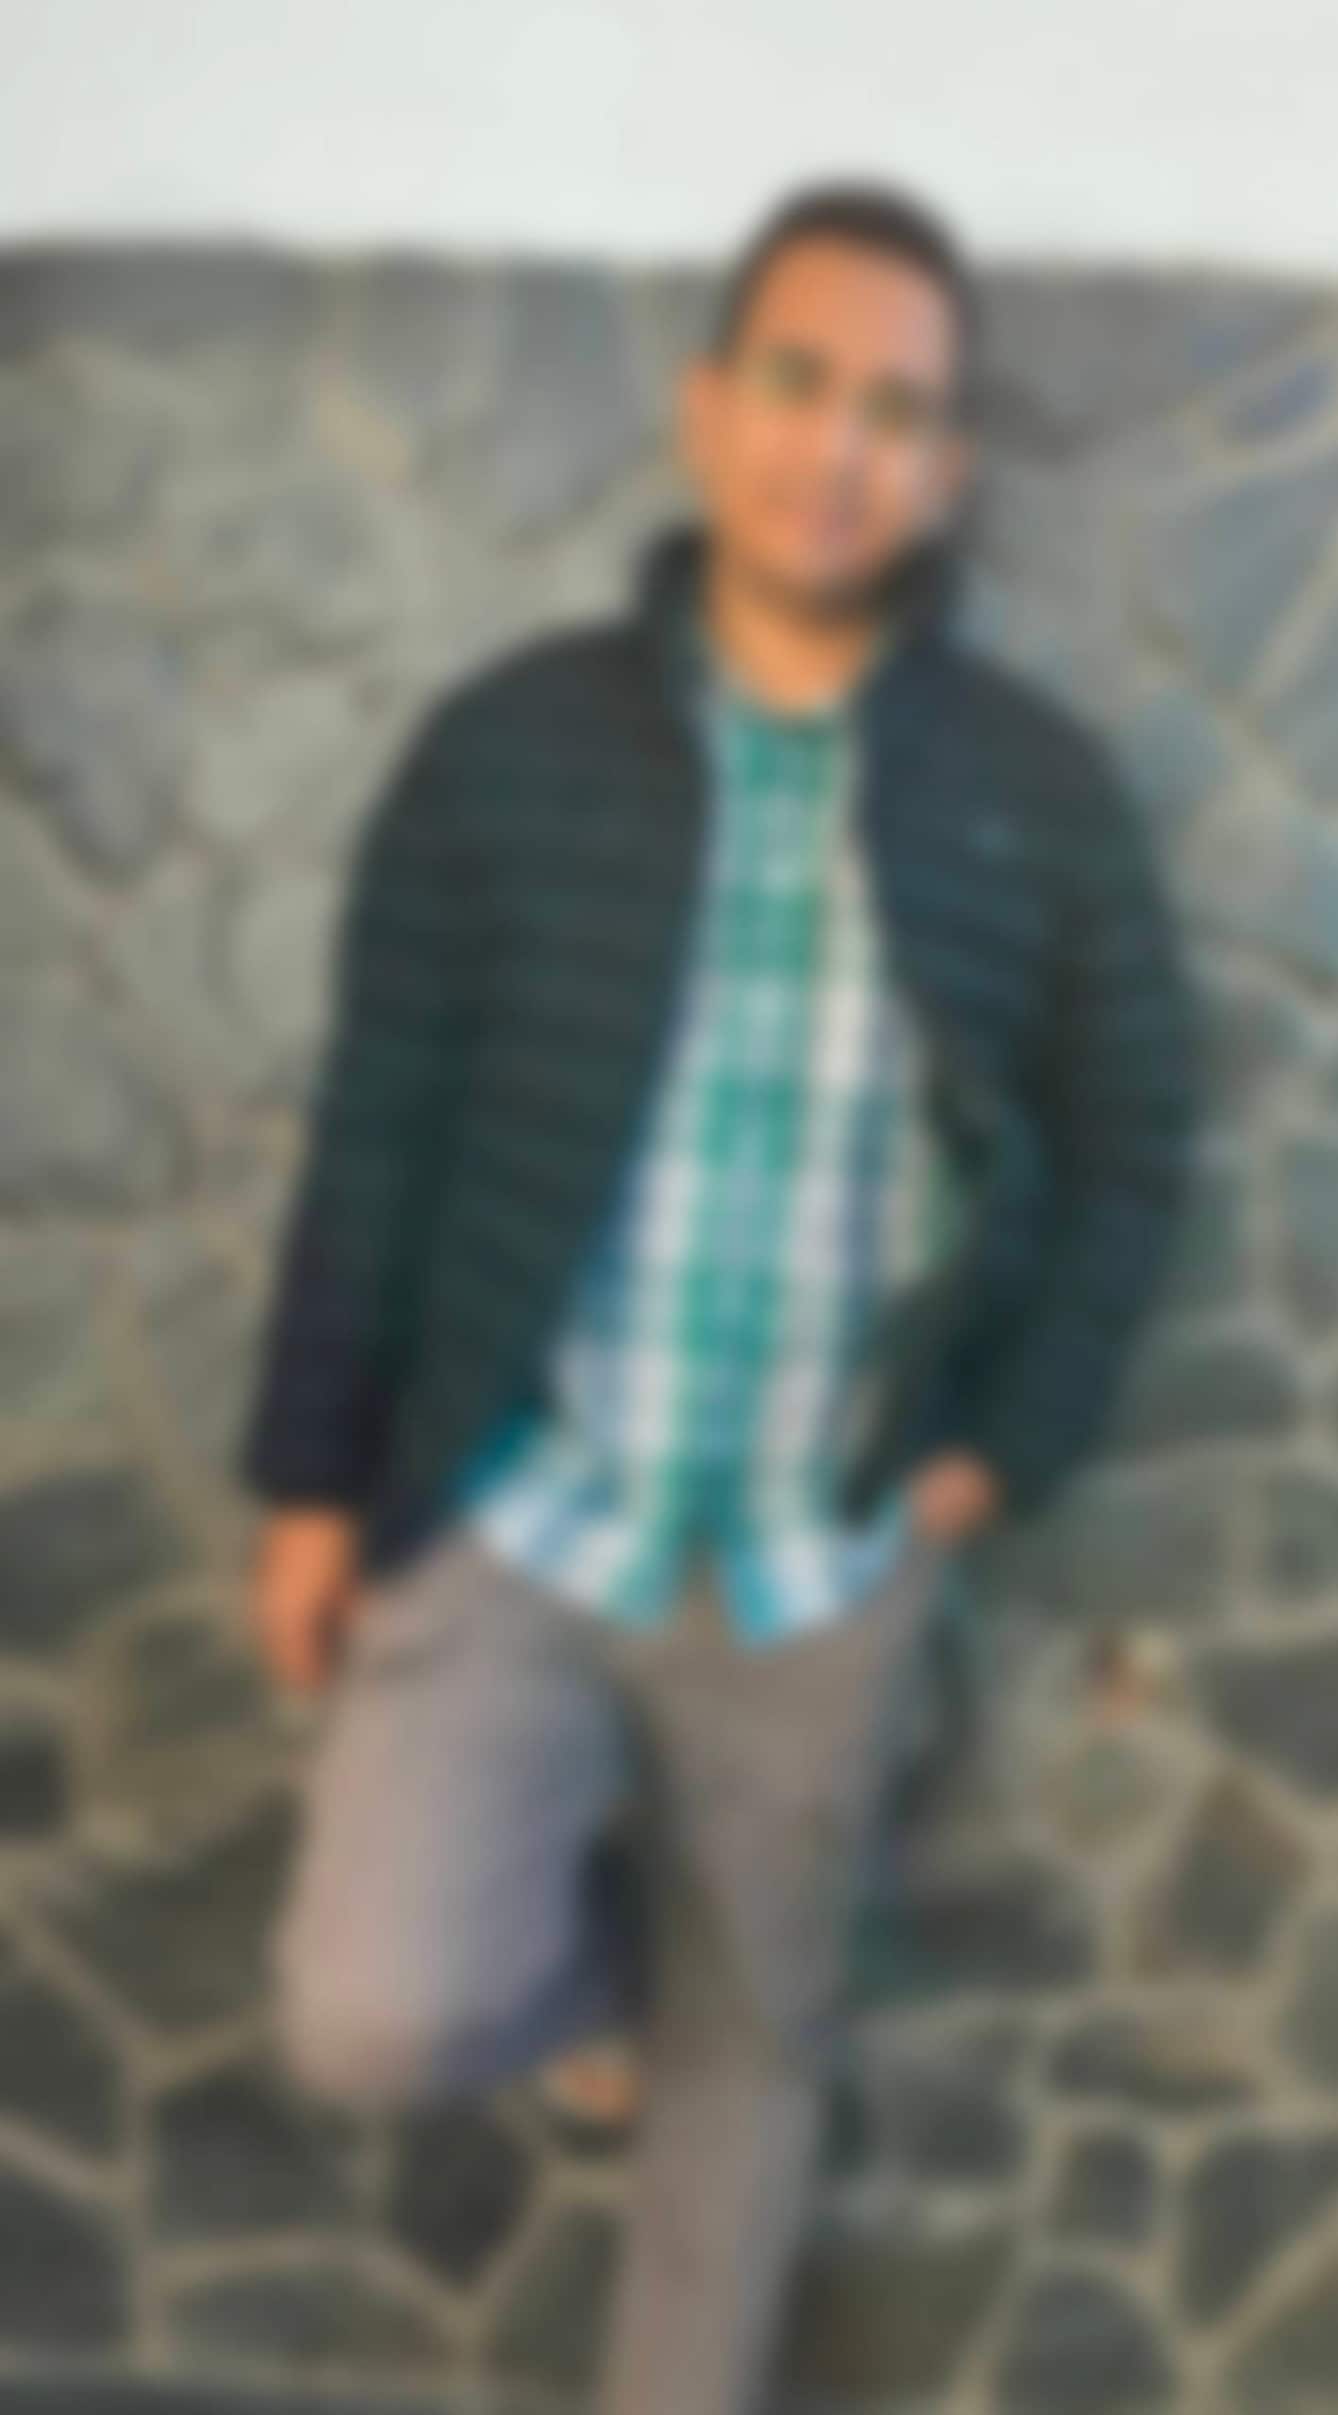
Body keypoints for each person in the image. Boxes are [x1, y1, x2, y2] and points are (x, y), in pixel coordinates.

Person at [240, 176, 1199, 2415]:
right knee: (366, 2010)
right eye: (797, 379)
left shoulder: (1038, 799)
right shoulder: (504, 753)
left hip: (820, 1558)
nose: (836, 444)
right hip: (524, 1506)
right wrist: (309, 1478)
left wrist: (994, 1456)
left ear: (947, 469)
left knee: (751, 2078)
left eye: (897, 410)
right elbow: (379, 1122)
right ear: (707, 409)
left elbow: (1136, 1140)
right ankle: (602, 1993)